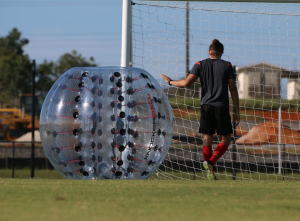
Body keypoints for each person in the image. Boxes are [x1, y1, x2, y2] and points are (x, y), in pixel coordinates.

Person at [161, 39, 240, 180]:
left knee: (206, 140)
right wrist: (237, 111)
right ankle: (211, 162)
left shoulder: (199, 64)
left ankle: (210, 173)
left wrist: (170, 81)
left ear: (209, 52)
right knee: (226, 139)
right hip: (221, 107)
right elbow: (233, 88)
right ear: (221, 53)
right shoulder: (227, 65)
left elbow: (186, 83)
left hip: (206, 107)